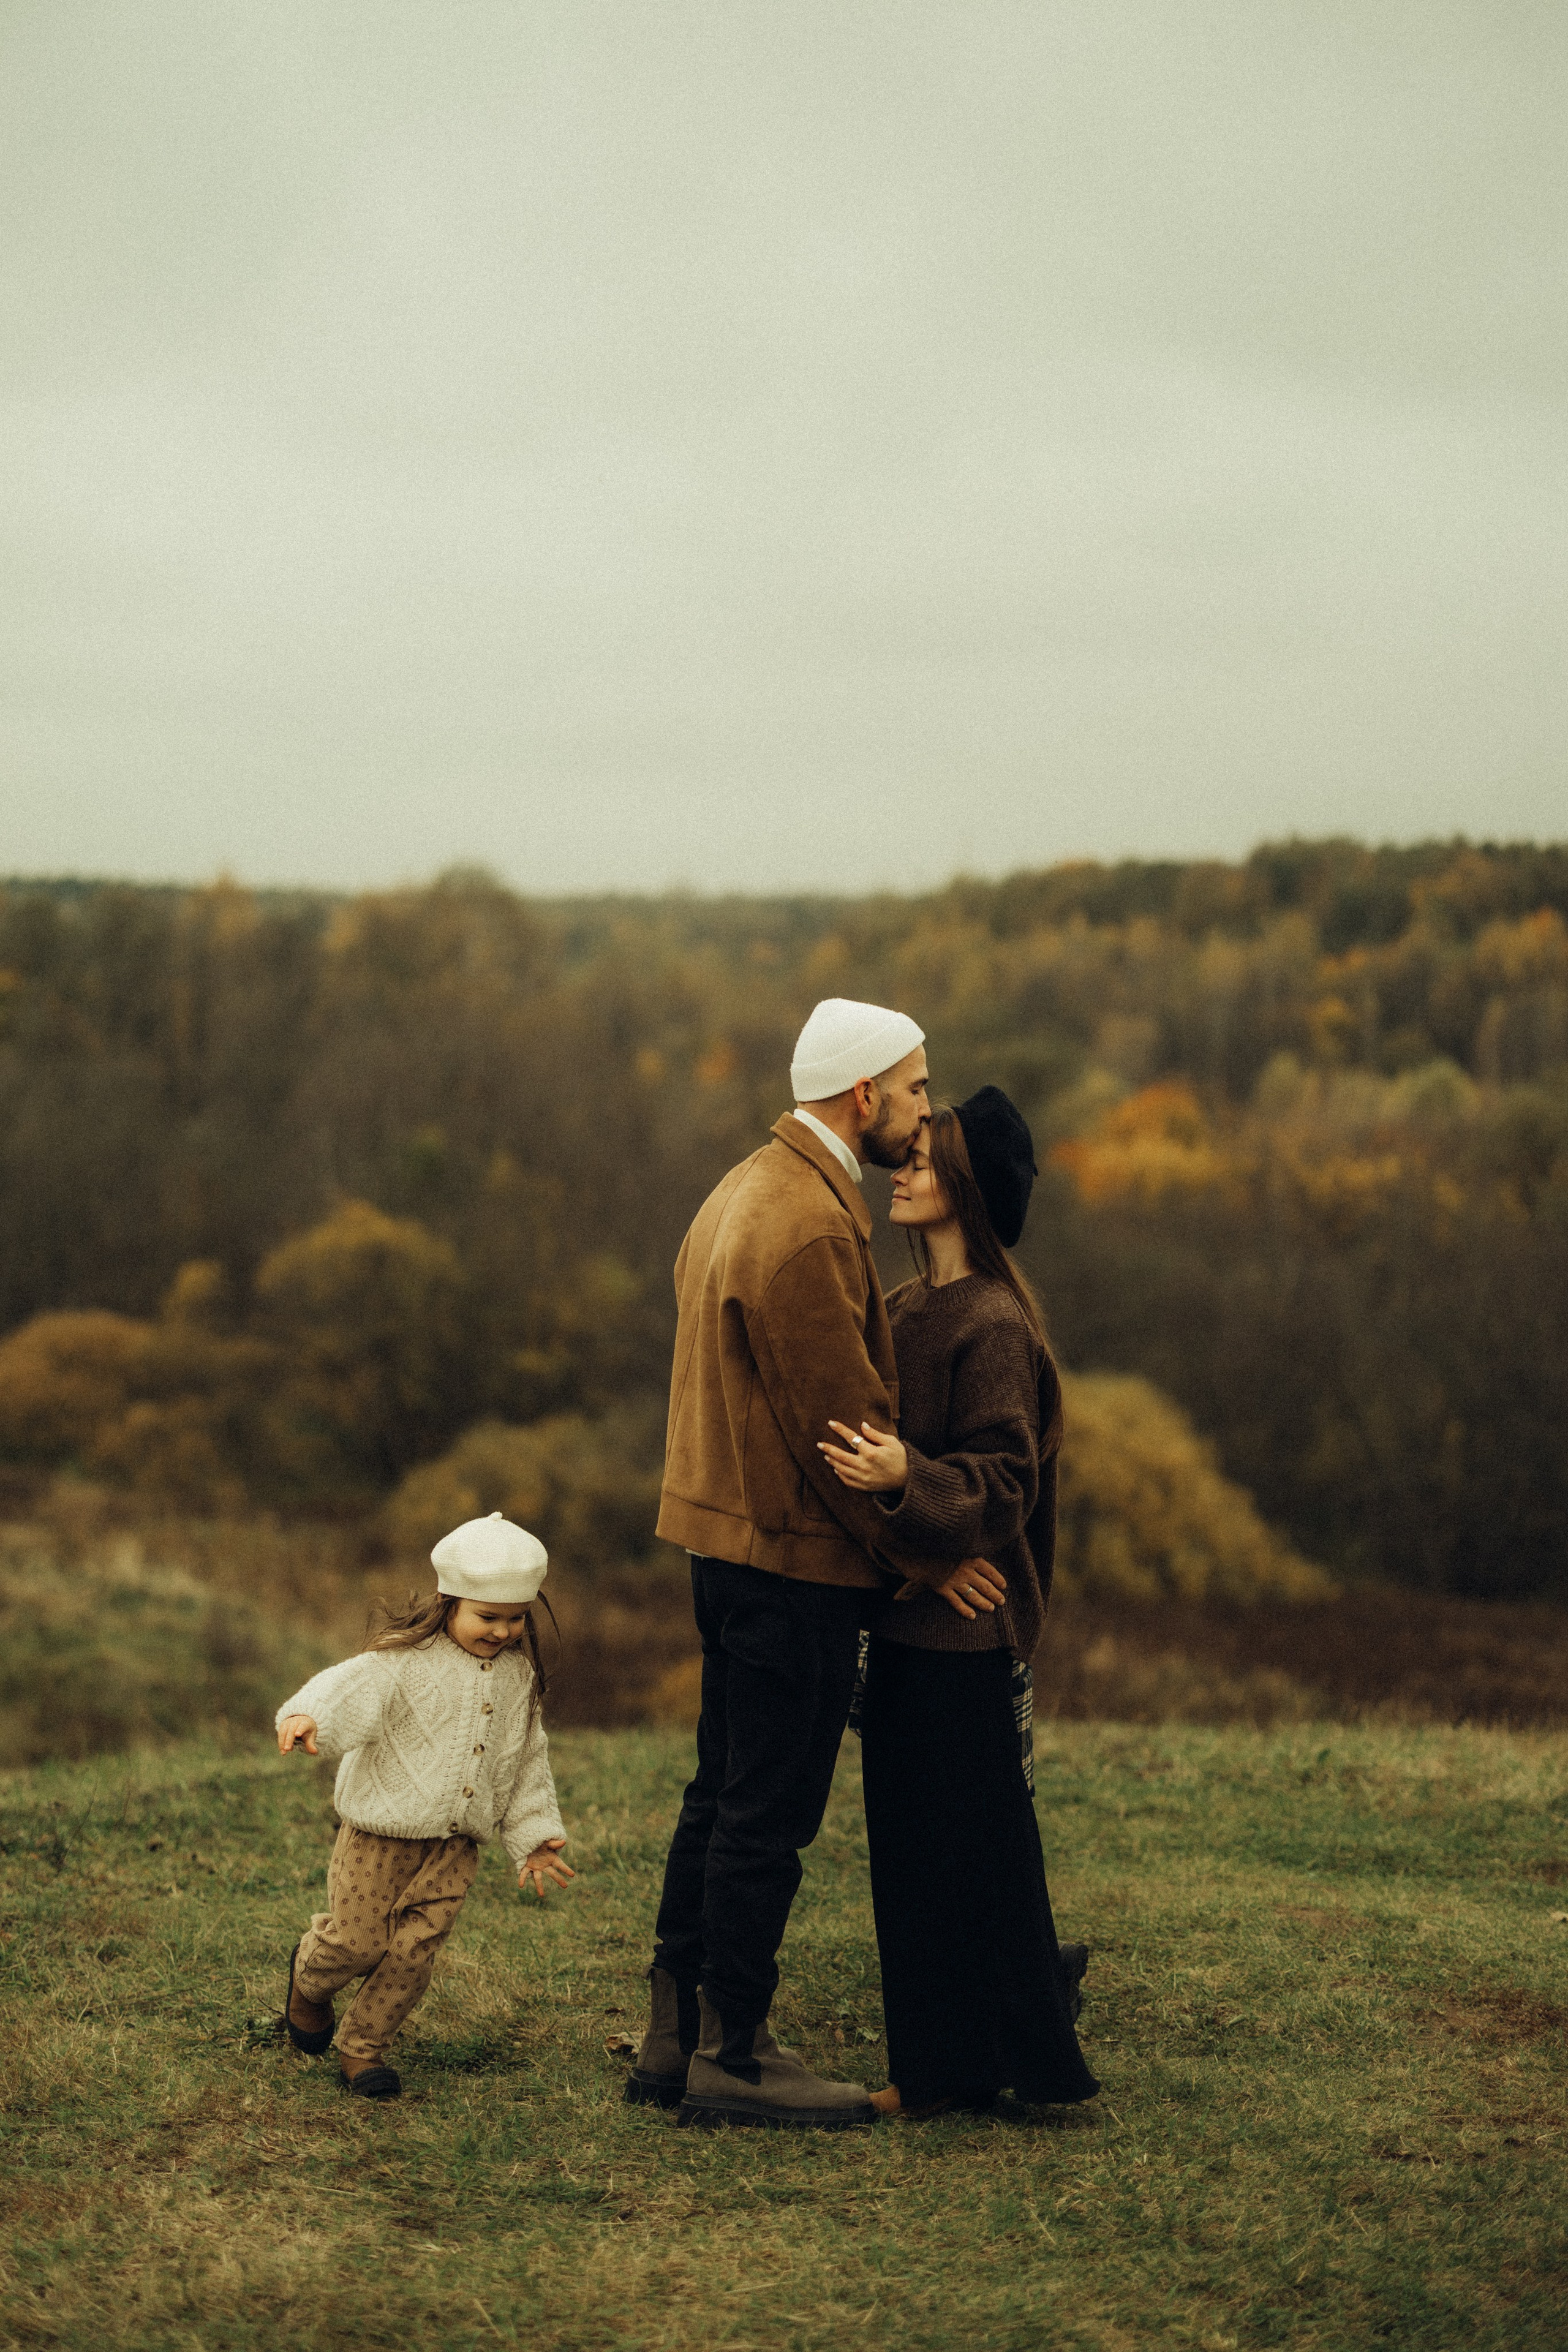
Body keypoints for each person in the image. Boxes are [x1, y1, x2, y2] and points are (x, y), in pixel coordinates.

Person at [627, 997, 999, 2129]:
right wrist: (924, 1559)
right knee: (768, 1816)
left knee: (718, 1794)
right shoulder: (809, 1227)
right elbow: (845, 1438)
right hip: (789, 1567)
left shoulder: (742, 1188)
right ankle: (735, 2052)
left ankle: (673, 2034)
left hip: (722, 1548)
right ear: (864, 1095)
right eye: (919, 1090)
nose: (927, 1114)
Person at [820, 1087, 1099, 2116]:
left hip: (968, 1639)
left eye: (928, 1161)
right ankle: (946, 2069)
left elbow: (1002, 1486)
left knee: (973, 1860)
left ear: (969, 1191)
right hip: (907, 1622)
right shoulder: (900, 1315)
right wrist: (911, 1543)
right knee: (912, 1854)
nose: (906, 1168)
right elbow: (858, 1481)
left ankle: (1013, 2070)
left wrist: (908, 1478)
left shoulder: (992, 1326)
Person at [273, 1512, 573, 2101]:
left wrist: (534, 1835)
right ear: (449, 1601)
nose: (503, 1632)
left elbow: (525, 1760)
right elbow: (347, 1690)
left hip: (454, 1849)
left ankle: (364, 2050)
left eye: (516, 1619)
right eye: (488, 1617)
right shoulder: (403, 1662)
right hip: (379, 1840)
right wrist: (310, 1718)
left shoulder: (518, 1678)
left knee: (412, 1955)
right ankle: (309, 1981)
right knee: (357, 1944)